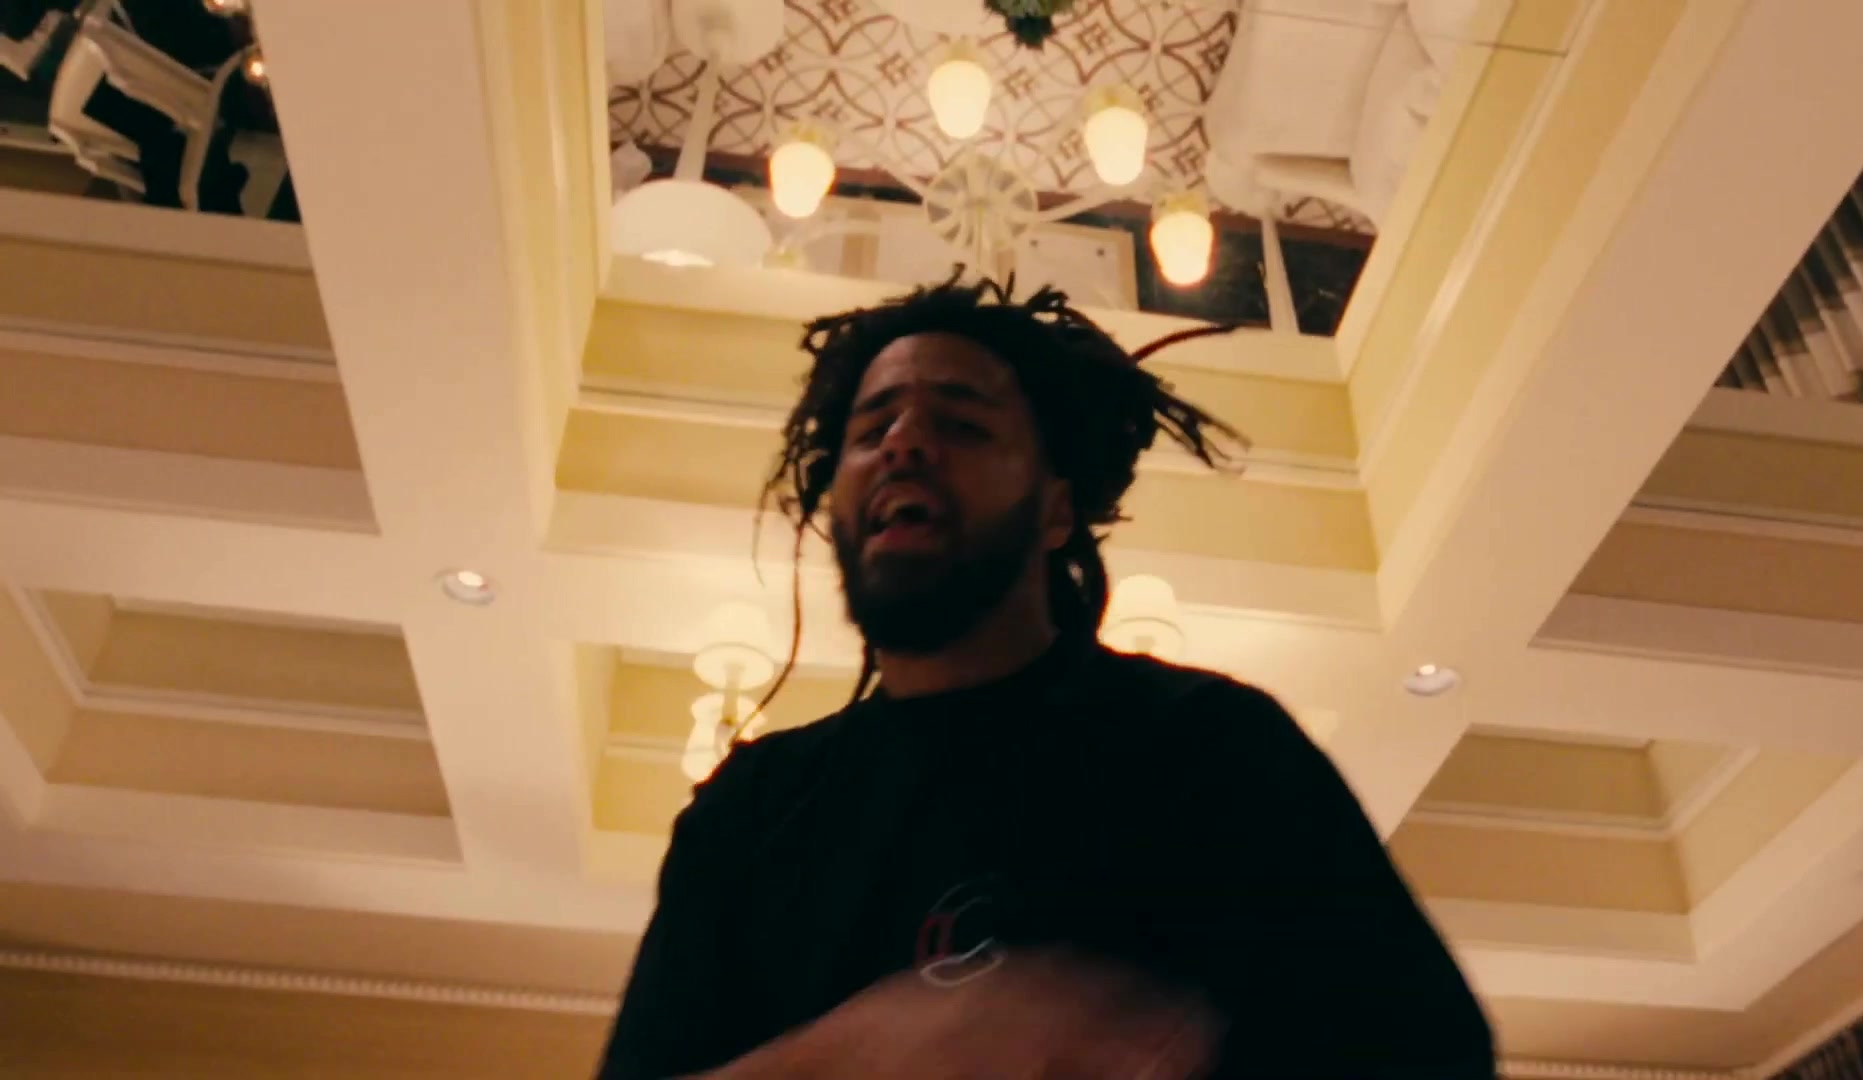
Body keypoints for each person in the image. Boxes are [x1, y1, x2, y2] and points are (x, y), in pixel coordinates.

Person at [598, 277, 1494, 1079]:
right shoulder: (750, 813)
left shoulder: (1218, 750)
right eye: (871, 429)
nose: (903, 443)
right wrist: (875, 1051)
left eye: (961, 423)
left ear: (1057, 507)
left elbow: (1428, 1055)